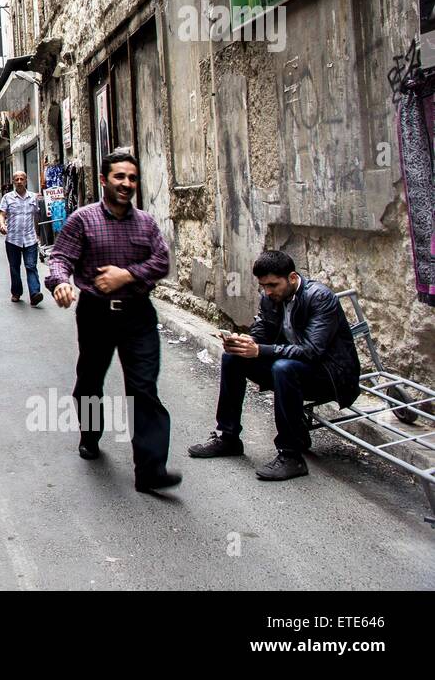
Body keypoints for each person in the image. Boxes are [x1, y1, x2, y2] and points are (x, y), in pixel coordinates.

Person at [46, 150, 180, 493]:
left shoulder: (146, 223)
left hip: (138, 315)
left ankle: (151, 471)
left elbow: (161, 262)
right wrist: (60, 282)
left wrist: (127, 275)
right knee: (90, 380)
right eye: (120, 177)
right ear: (104, 180)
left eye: (132, 178)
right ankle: (90, 434)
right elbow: (60, 256)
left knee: (144, 388)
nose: (127, 184)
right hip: (95, 313)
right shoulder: (83, 219)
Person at [187, 250, 362, 481]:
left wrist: (260, 350)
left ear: (291, 278)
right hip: (292, 370)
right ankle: (228, 438)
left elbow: (311, 351)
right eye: (263, 286)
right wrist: (247, 341)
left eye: (272, 285)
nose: (268, 292)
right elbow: (263, 330)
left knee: (283, 367)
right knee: (234, 357)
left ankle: (291, 456)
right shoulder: (271, 297)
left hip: (330, 376)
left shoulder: (319, 297)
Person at [0, 171, 43, 305]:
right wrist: (2, 224)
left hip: (30, 239)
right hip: (13, 239)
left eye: (21, 179)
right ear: (13, 182)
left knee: (31, 266)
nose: (19, 181)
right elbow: (1, 213)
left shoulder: (33, 197)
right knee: (14, 267)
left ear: (25, 181)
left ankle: (35, 293)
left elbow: (36, 217)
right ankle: (16, 292)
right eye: (16, 179)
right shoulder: (7, 197)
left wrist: (38, 234)